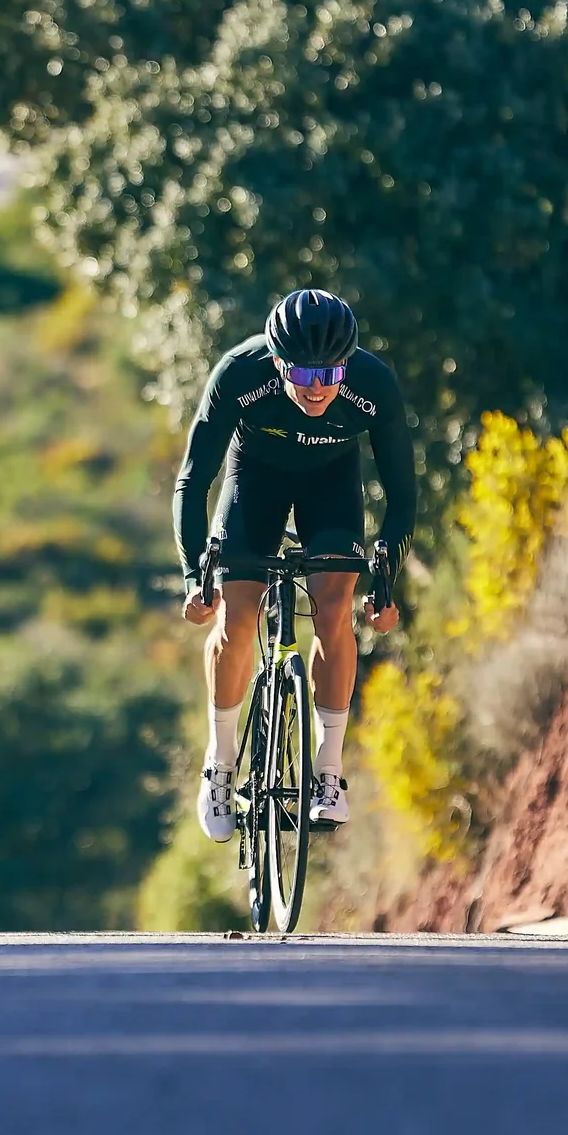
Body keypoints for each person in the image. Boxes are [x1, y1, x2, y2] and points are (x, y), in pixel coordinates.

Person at [174, 288, 415, 839]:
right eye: (302, 377)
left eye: (329, 378)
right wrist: (195, 576)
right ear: (276, 362)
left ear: (346, 367)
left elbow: (402, 495)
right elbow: (192, 481)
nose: (315, 391)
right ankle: (221, 760)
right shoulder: (238, 373)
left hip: (331, 484)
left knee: (334, 611)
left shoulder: (373, 385)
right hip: (254, 478)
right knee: (236, 618)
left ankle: (328, 771)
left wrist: (385, 585)